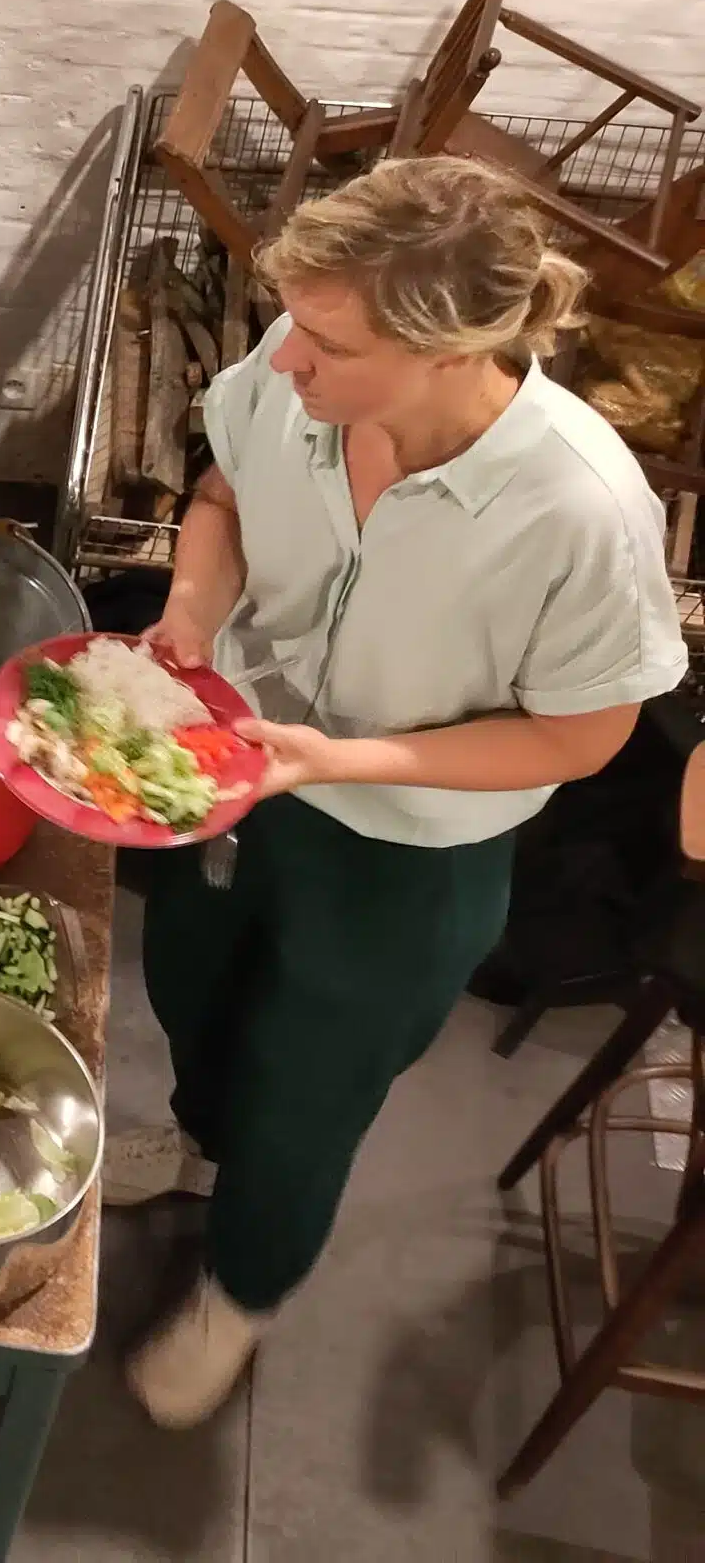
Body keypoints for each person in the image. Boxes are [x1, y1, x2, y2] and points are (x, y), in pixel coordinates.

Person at [111, 158, 688, 1429]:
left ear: (447, 352)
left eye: (328, 345)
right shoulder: (293, 379)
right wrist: (193, 608)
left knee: (310, 1089)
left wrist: (339, 763)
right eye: (293, 326)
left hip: (407, 848)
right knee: (195, 986)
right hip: (237, 768)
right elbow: (220, 492)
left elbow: (584, 734)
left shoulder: (579, 507)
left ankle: (244, 1285)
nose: (286, 361)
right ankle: (199, 1151)